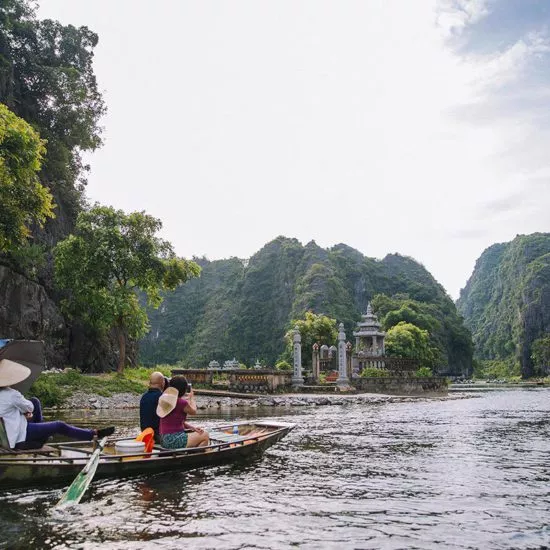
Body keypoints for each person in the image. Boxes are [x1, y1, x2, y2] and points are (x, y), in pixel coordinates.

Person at [0, 358, 115, 450]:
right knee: (59, 425)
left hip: (9, 434)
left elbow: (6, 412)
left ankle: (40, 434)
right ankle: (92, 434)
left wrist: (21, 413)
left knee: (35, 400)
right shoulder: (11, 394)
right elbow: (30, 407)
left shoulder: (7, 395)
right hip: (19, 437)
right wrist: (25, 412)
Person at [157, 375, 209, 449]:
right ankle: (196, 456)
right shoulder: (181, 402)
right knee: (205, 435)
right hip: (173, 440)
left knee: (199, 434)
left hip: (163, 439)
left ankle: (194, 453)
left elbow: (175, 421)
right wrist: (192, 398)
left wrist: (193, 428)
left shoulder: (165, 399)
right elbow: (193, 411)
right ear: (184, 389)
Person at [139, 371, 168, 442]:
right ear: (162, 383)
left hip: (145, 433)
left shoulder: (144, 396)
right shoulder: (161, 397)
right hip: (157, 435)